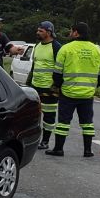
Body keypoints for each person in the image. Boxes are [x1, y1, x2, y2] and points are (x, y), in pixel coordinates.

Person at [46, 20, 100, 158]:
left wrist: (58, 87)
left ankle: (59, 149)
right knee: (87, 123)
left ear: (76, 33)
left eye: (71, 31)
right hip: (87, 94)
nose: (70, 33)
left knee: (63, 123)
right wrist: (93, 86)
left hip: (69, 92)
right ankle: (88, 150)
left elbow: (57, 73)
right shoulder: (97, 49)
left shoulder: (66, 48)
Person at [28, 21, 63, 149]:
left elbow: (61, 68)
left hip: (50, 88)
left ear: (48, 33)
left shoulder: (56, 47)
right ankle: (33, 139)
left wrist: (57, 85)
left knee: (49, 116)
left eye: (41, 31)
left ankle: (45, 141)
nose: (37, 32)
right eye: (38, 30)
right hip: (35, 86)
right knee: (33, 114)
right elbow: (34, 66)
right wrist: (28, 83)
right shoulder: (37, 46)